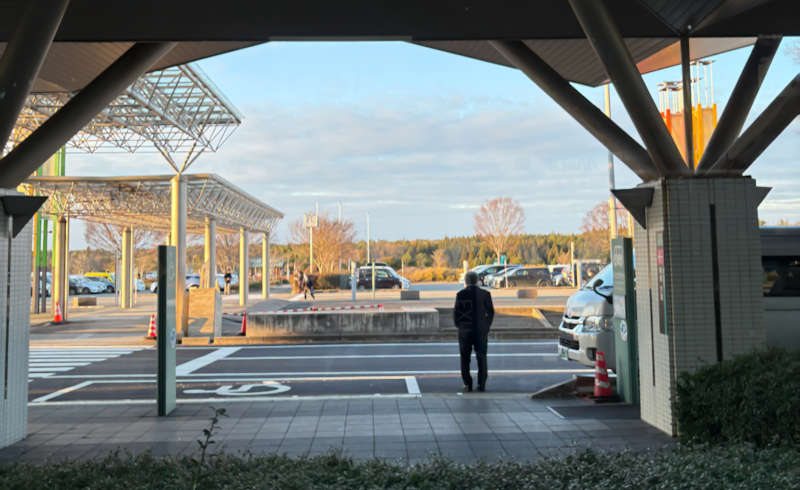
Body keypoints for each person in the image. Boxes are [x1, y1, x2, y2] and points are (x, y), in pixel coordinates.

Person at [453, 271, 494, 392]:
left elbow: (456, 313)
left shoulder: (460, 294)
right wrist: (486, 326)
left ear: (466, 281)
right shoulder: (485, 294)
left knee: (465, 358)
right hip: (481, 331)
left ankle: (467, 383)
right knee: (481, 357)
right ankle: (481, 384)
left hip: (465, 331)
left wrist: (459, 326)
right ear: (477, 281)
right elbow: (490, 312)